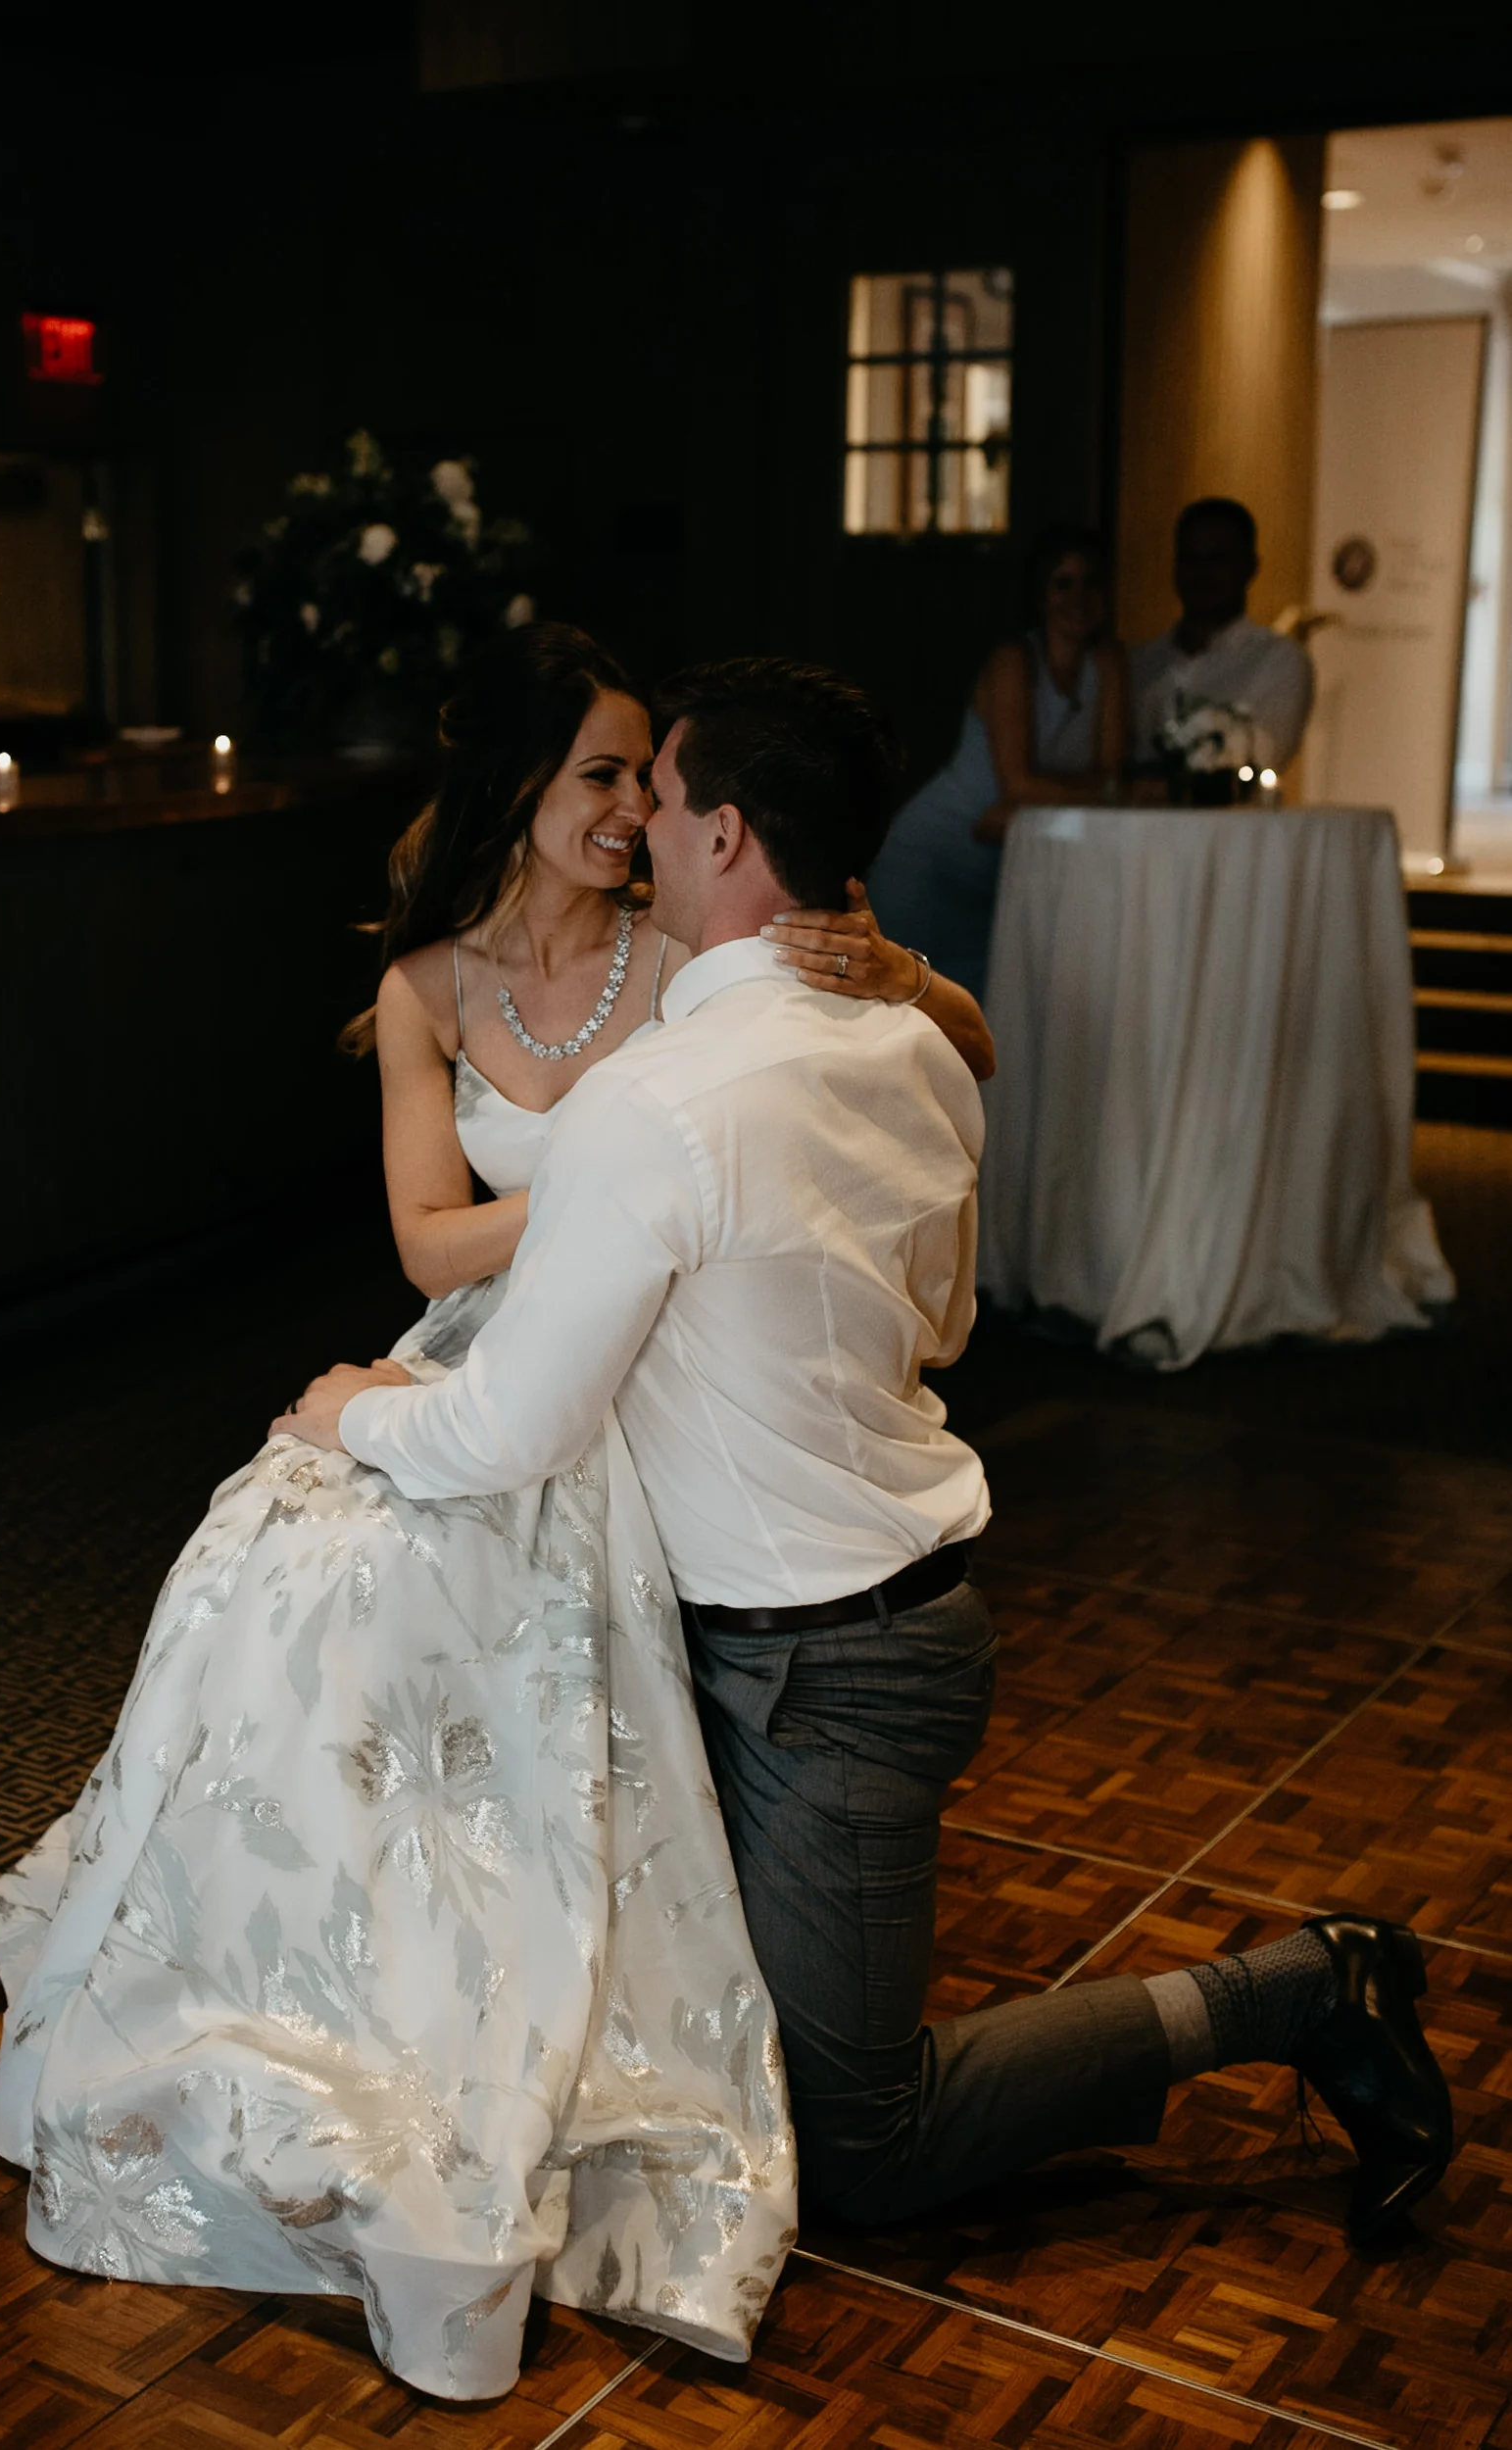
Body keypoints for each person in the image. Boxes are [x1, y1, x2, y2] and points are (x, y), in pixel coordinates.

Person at [290, 654, 1452, 2275]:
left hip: (828, 1670)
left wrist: (344, 1411)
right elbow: (948, 1311)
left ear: (721, 839)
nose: (642, 822)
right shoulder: (912, 1048)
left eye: (665, 792)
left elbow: (504, 1430)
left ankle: (1301, 1987)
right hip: (828, 1611)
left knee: (865, 2148)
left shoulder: (659, 1106)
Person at [0, 624, 991, 2403]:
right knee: (278, 1573)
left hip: (637, 1367)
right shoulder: (432, 983)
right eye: (595, 776)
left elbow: (922, 1052)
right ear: (523, 789)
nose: (622, 813)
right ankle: (344, 2005)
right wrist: (600, 1206)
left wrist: (871, 983)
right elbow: (428, 1243)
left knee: (478, 1577)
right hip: (499, 1341)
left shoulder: (697, 935)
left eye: (638, 785)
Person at [865, 523, 1131, 1002]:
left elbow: (1110, 770)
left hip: (1007, 874)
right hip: (935, 861)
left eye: (1091, 582)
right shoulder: (1015, 661)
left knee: (993, 1023)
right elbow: (1020, 784)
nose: (1079, 597)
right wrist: (1102, 793)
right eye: (1062, 583)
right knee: (906, 1015)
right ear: (1041, 594)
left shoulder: (1109, 663)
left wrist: (1073, 793)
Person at [1132, 496, 1314, 772]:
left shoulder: (1278, 661)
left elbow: (1260, 761)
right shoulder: (1140, 662)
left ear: (1250, 566)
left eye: (1217, 560)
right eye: (1191, 559)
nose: (1202, 574)